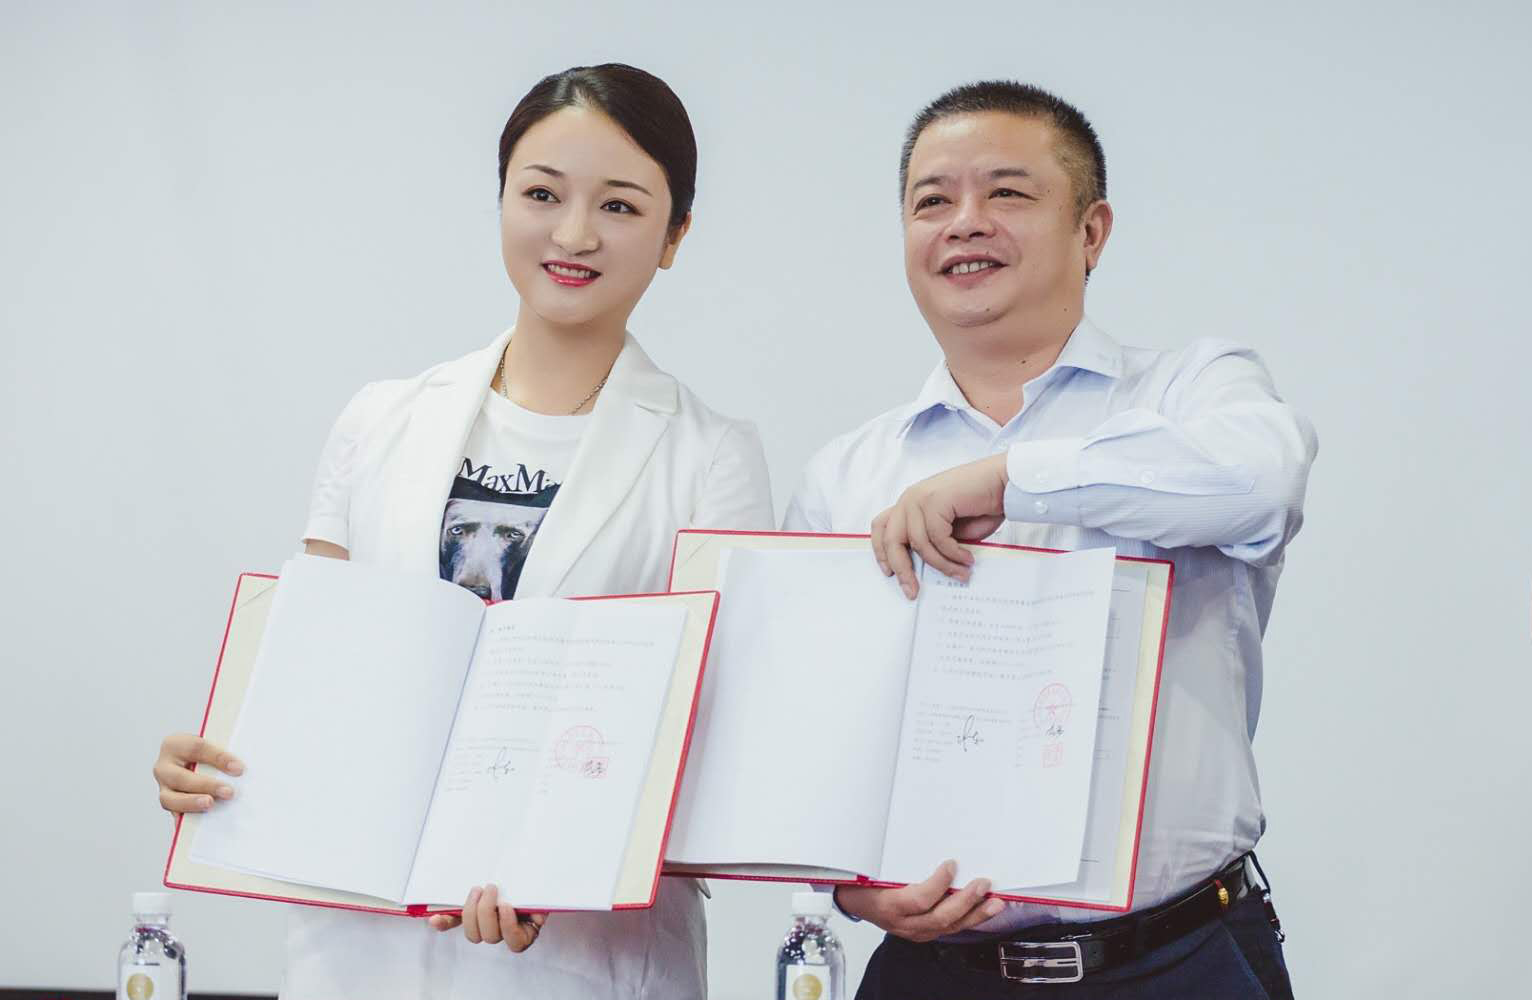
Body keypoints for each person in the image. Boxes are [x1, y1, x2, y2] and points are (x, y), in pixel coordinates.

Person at [151, 63, 773, 1000]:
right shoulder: (380, 418)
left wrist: (557, 863)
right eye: (542, 194)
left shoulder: (711, 457)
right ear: (502, 199)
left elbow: (714, 735)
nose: (573, 234)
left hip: (580, 963)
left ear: (675, 235)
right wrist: (215, 764)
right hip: (358, 954)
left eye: (619, 205)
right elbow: (317, 676)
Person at [783, 81, 1316, 998]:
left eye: (1007, 192)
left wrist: (1009, 478)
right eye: (932, 201)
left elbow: (1260, 482)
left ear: (1091, 231)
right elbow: (805, 721)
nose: (965, 222)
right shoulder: (847, 473)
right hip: (931, 972)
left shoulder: (1194, 391)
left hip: (1181, 961)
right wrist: (845, 888)